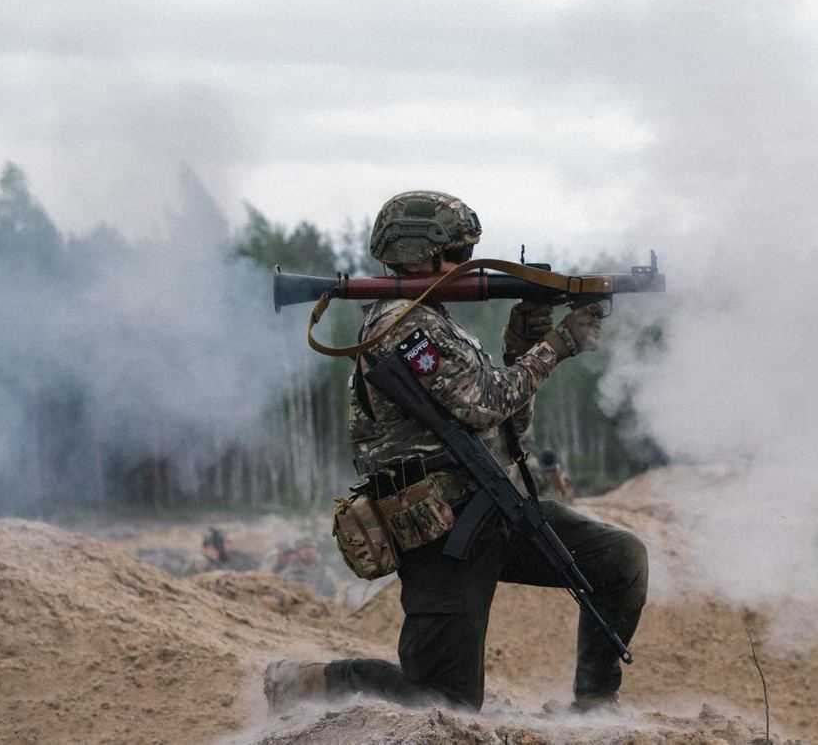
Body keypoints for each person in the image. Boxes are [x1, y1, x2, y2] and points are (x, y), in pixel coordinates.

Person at [264, 190, 647, 713]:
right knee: (444, 702)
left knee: (619, 560)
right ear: (420, 254)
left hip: (494, 509)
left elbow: (507, 427)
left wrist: (520, 349)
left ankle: (596, 705)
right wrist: (556, 346)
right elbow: (485, 403)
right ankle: (305, 683)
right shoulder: (402, 326)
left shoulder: (438, 323)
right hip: (442, 531)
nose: (466, 266)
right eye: (459, 255)